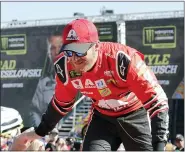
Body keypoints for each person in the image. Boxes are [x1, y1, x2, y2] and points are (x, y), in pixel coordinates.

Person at [9, 18, 169, 151]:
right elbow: (61, 104)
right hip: (103, 118)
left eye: (80, 51)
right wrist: (39, 132)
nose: (74, 58)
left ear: (97, 46)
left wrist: (159, 146)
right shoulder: (64, 65)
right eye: (69, 51)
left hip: (135, 115)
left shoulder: (122, 59)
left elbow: (158, 103)